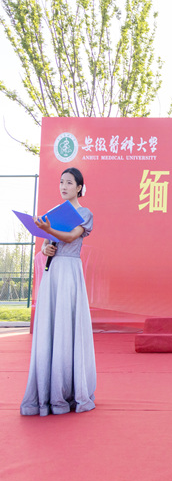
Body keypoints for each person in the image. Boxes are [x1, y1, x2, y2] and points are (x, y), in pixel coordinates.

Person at [20, 167, 96, 416]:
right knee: (50, 329)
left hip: (70, 274)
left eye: (69, 182)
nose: (64, 186)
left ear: (79, 188)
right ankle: (46, 394)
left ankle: (68, 392)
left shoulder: (84, 213)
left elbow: (72, 237)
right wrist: (45, 249)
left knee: (66, 327)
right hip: (52, 274)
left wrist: (49, 230)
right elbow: (45, 245)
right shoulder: (52, 214)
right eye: (61, 182)